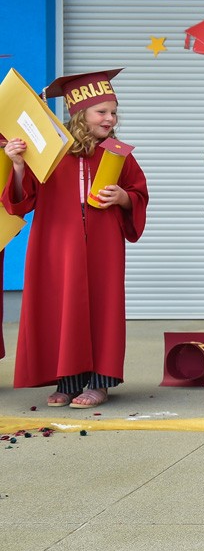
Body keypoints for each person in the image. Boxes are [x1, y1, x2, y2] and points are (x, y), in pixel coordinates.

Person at [2, 70, 148, 408]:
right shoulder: (50, 151)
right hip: (57, 241)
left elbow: (138, 192)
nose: (110, 118)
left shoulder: (116, 152)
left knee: (102, 306)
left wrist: (123, 198)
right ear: (79, 113)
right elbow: (23, 199)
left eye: (114, 112)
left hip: (103, 242)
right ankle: (67, 381)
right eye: (102, 112)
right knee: (62, 305)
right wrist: (19, 165)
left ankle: (99, 382)